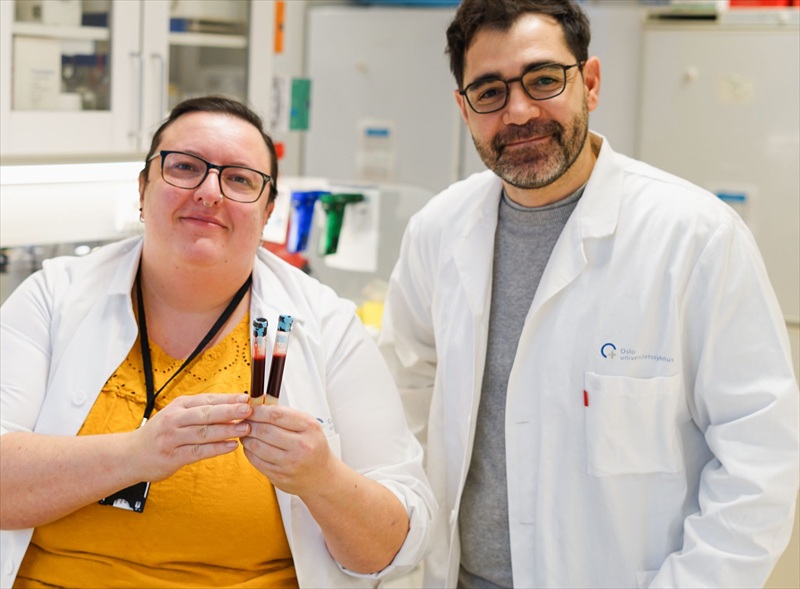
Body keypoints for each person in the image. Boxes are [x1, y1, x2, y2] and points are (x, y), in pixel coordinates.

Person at [378, 1, 800, 587]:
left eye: (544, 80)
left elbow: (760, 458)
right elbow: (402, 409)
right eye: (489, 91)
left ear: (590, 83)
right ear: (463, 108)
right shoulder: (438, 231)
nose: (519, 111)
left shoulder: (695, 237)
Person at [0, 95, 434, 589]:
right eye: (184, 167)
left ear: (268, 211)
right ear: (143, 188)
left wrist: (322, 479)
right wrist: (136, 455)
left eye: (239, 179)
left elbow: (395, 547)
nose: (209, 191)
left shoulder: (327, 326)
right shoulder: (54, 296)